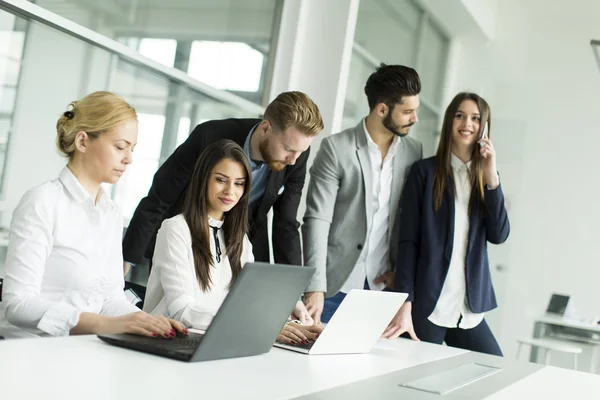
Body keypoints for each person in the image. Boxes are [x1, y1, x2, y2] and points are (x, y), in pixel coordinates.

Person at [122, 91, 323, 322]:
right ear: (266, 128)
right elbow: (160, 196)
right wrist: (126, 259)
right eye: (289, 149)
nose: (294, 160)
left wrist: (290, 294)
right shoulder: (210, 136)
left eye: (301, 151)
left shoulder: (296, 154)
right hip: (187, 240)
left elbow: (286, 224)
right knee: (181, 310)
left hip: (239, 242)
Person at [0, 91, 186, 339]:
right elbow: (17, 305)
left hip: (82, 351)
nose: (129, 159)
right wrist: (100, 324)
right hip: (33, 351)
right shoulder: (42, 202)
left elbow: (110, 298)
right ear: (83, 142)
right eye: (121, 146)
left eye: (132, 149)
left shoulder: (110, 212)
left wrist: (145, 321)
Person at [143, 140, 322, 344]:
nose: (230, 191)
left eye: (239, 183)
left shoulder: (240, 239)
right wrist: (257, 326)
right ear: (203, 179)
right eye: (221, 180)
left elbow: (248, 302)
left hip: (218, 341)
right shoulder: (176, 229)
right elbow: (182, 311)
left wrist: (288, 313)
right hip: (168, 343)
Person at [302, 64, 422, 326]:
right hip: (333, 286)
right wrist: (315, 286)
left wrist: (400, 276)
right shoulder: (336, 149)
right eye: (408, 112)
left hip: (381, 289)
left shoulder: (414, 152)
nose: (415, 119)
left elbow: (409, 222)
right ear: (382, 109)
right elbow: (316, 219)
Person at [393, 92, 510, 356]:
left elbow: (499, 234)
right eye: (460, 115)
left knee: (492, 368)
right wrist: (404, 301)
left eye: (475, 118)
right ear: (449, 121)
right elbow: (408, 242)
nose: (467, 123)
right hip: (428, 305)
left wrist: (492, 176)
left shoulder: (487, 179)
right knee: (413, 385)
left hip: (468, 307)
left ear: (485, 128)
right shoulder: (424, 173)